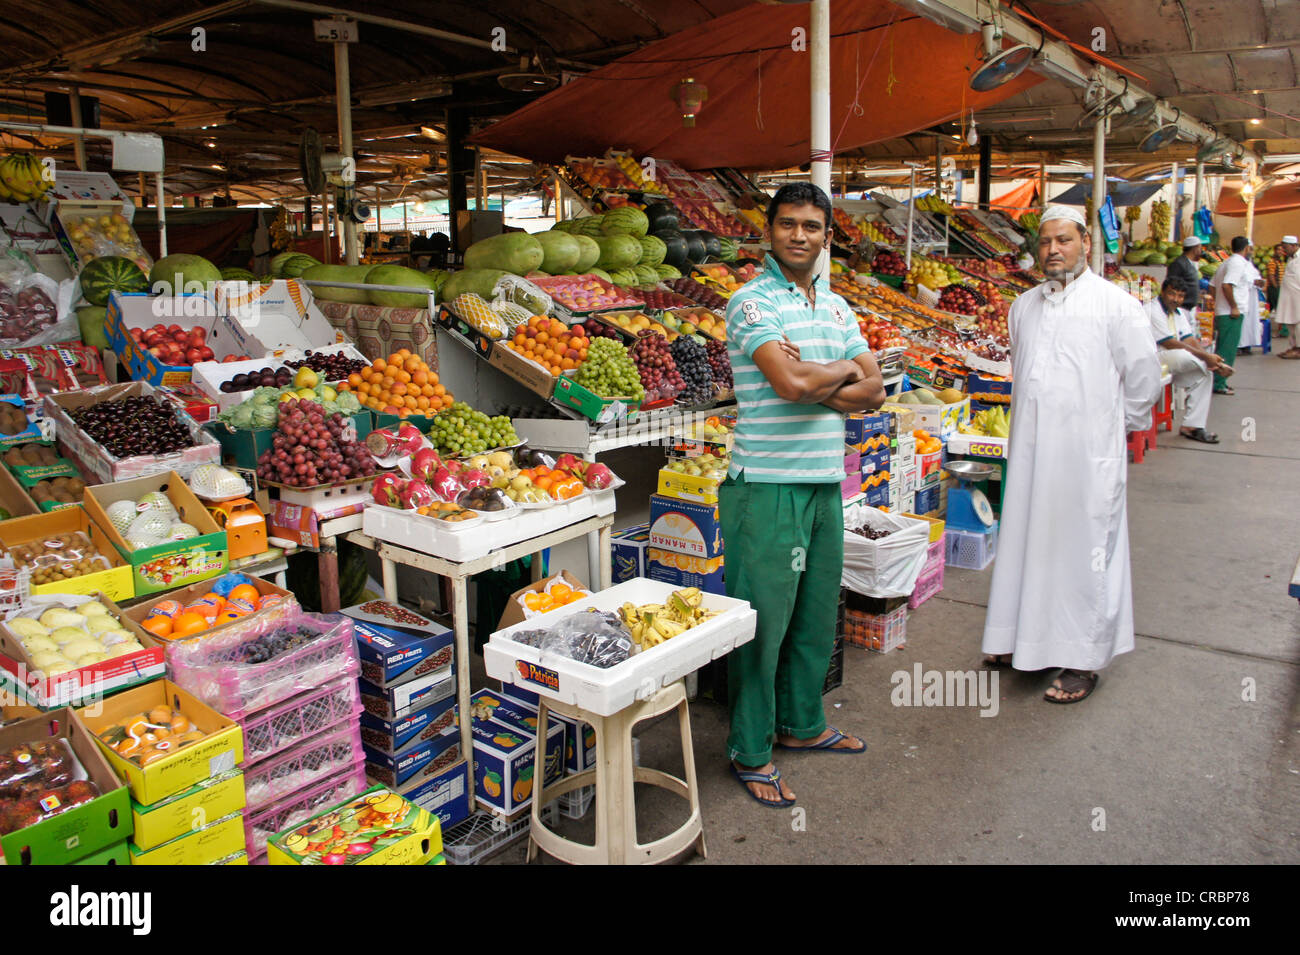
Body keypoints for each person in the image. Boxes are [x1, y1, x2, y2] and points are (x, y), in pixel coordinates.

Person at [721, 182, 885, 807]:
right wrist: (838, 372)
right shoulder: (750, 303)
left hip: (822, 483)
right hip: (765, 485)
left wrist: (831, 373)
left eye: (811, 226)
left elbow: (874, 390)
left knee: (816, 615)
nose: (799, 235)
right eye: (787, 224)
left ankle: (802, 726)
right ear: (769, 232)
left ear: (826, 234)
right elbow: (788, 383)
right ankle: (751, 750)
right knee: (763, 626)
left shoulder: (839, 309)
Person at [981, 206, 1162, 703]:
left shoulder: (1116, 305)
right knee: (1027, 541)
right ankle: (1020, 640)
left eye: (1063, 240)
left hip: (1087, 457)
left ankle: (1082, 659)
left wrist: (1105, 429)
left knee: (1085, 554)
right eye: (1045, 242)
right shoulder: (1024, 306)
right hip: (1031, 452)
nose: (1053, 250)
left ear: (1085, 242)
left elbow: (1144, 380)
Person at [1144, 277, 1232, 443]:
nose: (1176, 299)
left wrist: (1210, 361)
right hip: (1153, 359)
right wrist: (1207, 358)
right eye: (1172, 294)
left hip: (1171, 361)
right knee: (1186, 356)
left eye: (1180, 296)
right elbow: (1170, 343)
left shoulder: (1179, 313)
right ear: (1163, 292)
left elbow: (1189, 339)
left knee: (1205, 373)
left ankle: (1192, 426)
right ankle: (1214, 365)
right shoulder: (1152, 310)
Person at [1210, 236, 1254, 394]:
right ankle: (1219, 383)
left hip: (1224, 311)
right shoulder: (1237, 263)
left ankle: (1219, 381)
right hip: (1231, 314)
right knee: (1227, 350)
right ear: (1246, 248)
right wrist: (1233, 306)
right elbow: (1226, 285)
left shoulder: (1226, 262)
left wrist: (1219, 302)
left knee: (1222, 347)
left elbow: (1212, 286)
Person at [1275, 235, 1300, 358]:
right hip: (1289, 298)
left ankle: (1299, 349)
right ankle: (1293, 347)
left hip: (1298, 297)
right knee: (1290, 323)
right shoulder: (1290, 259)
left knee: (1298, 323)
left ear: (1294, 246)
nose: (1284, 250)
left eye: (1286, 247)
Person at [1165, 235, 1205, 311]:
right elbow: (1171, 284)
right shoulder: (1179, 263)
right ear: (1195, 249)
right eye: (1200, 248)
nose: (1201, 251)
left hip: (1189, 308)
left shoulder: (1190, 263)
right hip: (1182, 308)